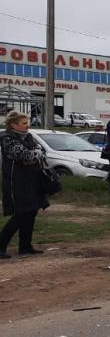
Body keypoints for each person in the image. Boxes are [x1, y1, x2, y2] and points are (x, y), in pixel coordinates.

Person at [0, 110, 48, 259]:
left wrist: (35, 154)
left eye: (27, 123)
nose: (28, 126)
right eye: (24, 123)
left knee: (32, 211)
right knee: (21, 214)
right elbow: (22, 155)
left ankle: (25, 246)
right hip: (16, 181)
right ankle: (1, 245)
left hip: (31, 179)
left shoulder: (28, 136)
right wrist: (34, 154)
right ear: (14, 125)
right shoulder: (7, 137)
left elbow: (41, 150)